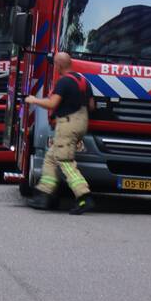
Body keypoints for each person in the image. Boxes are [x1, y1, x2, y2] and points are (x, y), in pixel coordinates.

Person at [24, 52, 95, 214]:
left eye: (55, 64)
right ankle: (44, 195)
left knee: (65, 161)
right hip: (81, 122)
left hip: (67, 125)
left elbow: (52, 104)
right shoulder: (83, 80)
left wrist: (33, 100)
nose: (54, 67)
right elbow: (92, 106)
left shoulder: (64, 82)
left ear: (59, 65)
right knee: (51, 158)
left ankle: (84, 197)